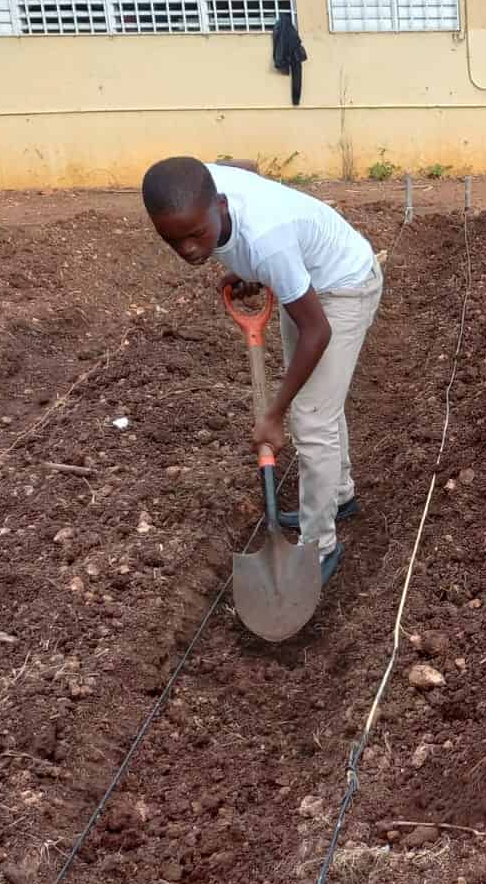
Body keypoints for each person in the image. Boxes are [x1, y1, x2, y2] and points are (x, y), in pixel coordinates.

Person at [142, 157, 382, 576]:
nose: (189, 250)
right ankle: (339, 495)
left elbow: (318, 332)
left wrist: (274, 414)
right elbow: (245, 166)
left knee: (310, 418)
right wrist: (247, 266)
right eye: (171, 241)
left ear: (220, 204)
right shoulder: (203, 182)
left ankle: (319, 547)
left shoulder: (269, 241)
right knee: (318, 406)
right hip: (303, 281)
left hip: (343, 286)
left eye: (197, 235)